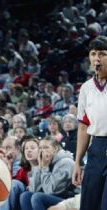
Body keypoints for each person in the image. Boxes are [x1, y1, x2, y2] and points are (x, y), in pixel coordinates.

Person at [72, 35, 107, 210]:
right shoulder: (86, 88)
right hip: (97, 148)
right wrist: (78, 162)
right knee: (89, 204)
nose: (97, 58)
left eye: (102, 53)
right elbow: (84, 126)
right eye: (93, 54)